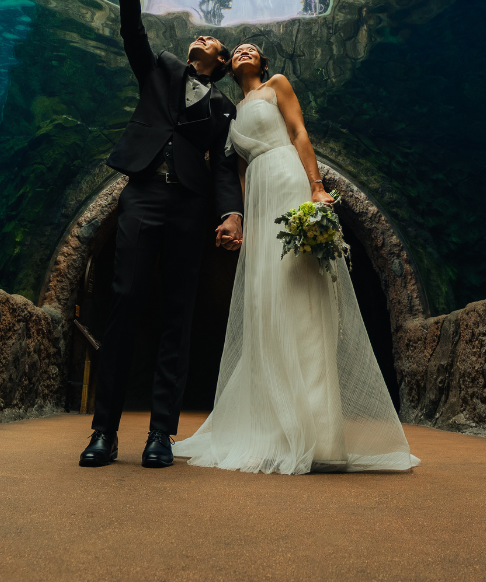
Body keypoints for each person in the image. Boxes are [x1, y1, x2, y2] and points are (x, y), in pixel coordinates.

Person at [173, 41, 419, 473]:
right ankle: (272, 427)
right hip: (260, 193)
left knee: (300, 292)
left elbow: (299, 132)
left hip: (287, 177)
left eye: (254, 49)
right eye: (240, 49)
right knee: (264, 301)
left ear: (263, 62)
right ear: (230, 65)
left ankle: (319, 435)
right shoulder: (231, 110)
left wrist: (316, 185)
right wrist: (244, 219)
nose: (246, 51)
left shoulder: (277, 85)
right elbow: (240, 169)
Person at [79, 0, 245, 469]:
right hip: (144, 194)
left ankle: (160, 435)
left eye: (209, 40)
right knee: (125, 300)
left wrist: (231, 213)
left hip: (189, 209)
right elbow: (133, 32)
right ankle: (103, 432)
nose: (198, 39)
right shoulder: (161, 71)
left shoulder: (224, 108)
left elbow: (223, 167)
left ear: (219, 63)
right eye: (196, 37)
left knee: (178, 311)